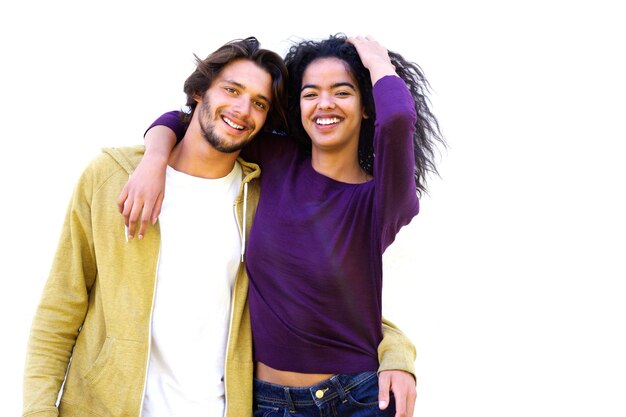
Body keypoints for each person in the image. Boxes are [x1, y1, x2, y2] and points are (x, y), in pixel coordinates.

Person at [23, 36, 416, 417]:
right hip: (128, 405)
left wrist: (396, 353)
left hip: (288, 403)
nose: (243, 110)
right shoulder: (117, 177)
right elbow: (60, 308)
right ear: (199, 91)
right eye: (231, 89)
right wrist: (154, 158)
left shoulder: (275, 191)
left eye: (259, 103)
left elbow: (328, 302)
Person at [121, 34, 443, 417]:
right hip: (267, 402)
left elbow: (399, 119)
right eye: (311, 93)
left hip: (355, 399)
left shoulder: (382, 201)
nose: (324, 104)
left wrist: (378, 64)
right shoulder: (275, 159)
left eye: (342, 92)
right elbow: (189, 120)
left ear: (366, 107)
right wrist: (153, 160)